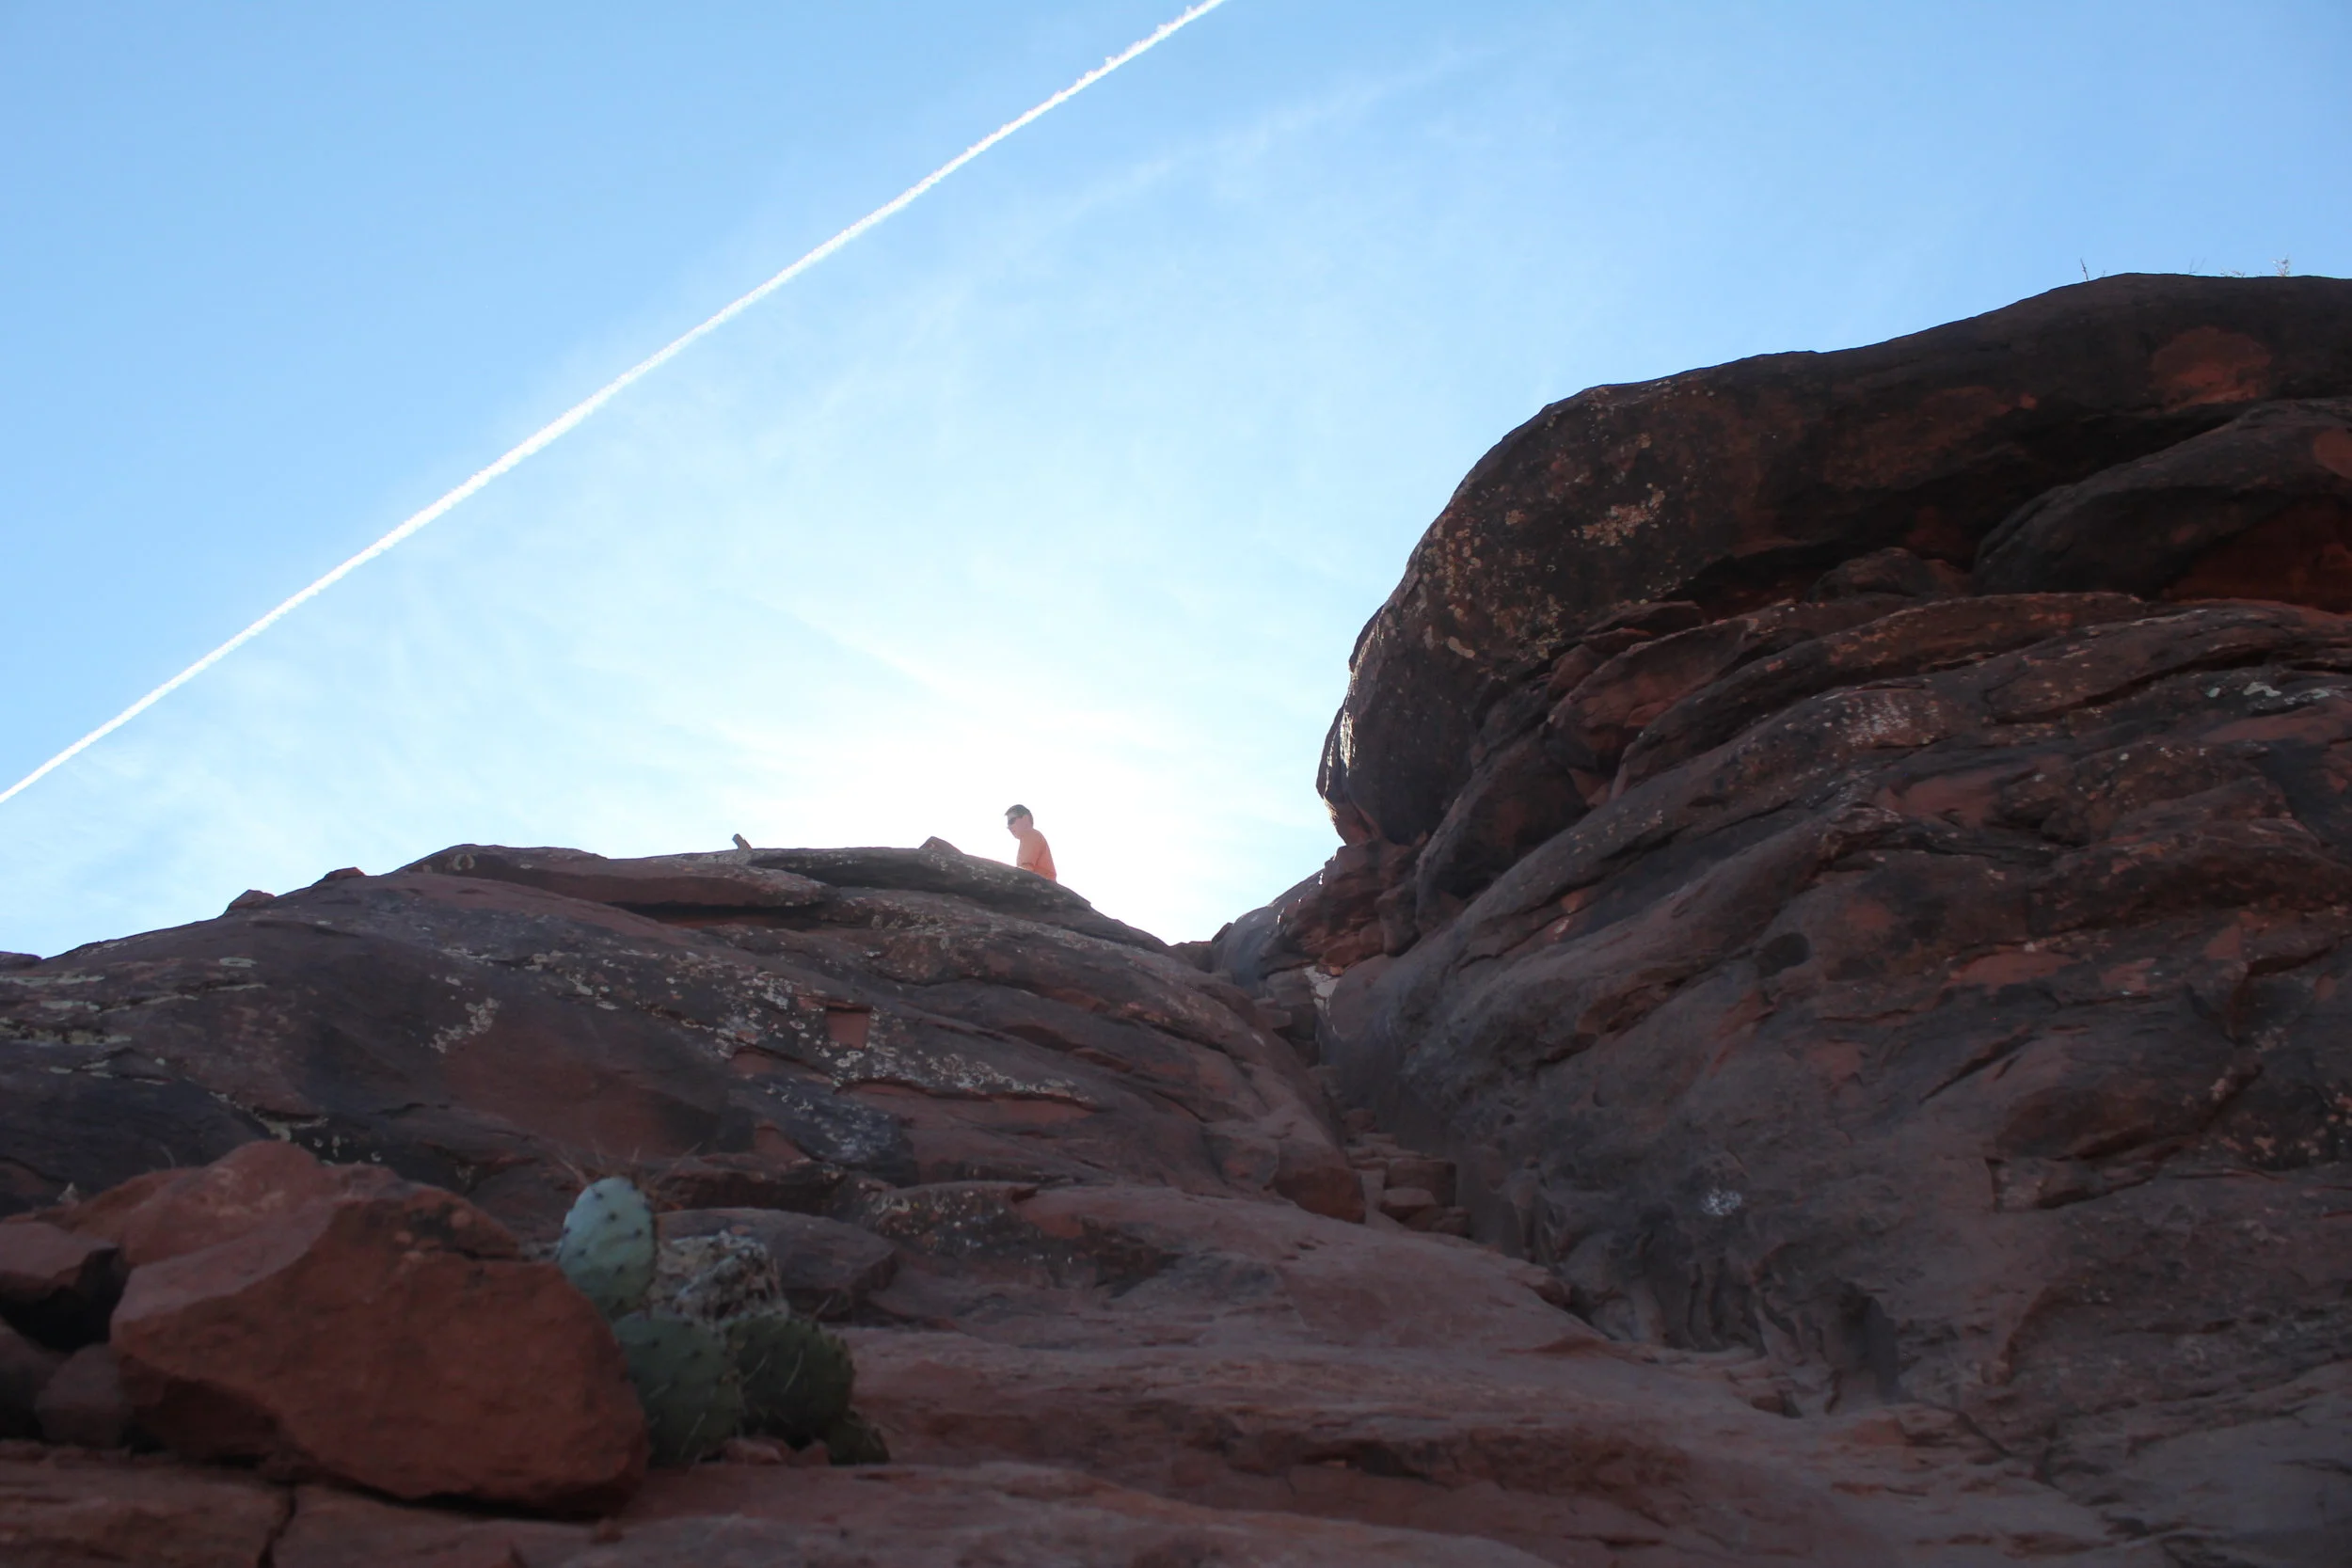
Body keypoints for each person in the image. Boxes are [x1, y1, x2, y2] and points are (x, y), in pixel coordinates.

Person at [1004, 804, 1057, 881]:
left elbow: (1025, 870)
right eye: (1007, 825)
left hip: (1041, 885)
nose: (1009, 827)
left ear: (1025, 819)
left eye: (1011, 821)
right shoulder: (1033, 836)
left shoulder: (1030, 834)